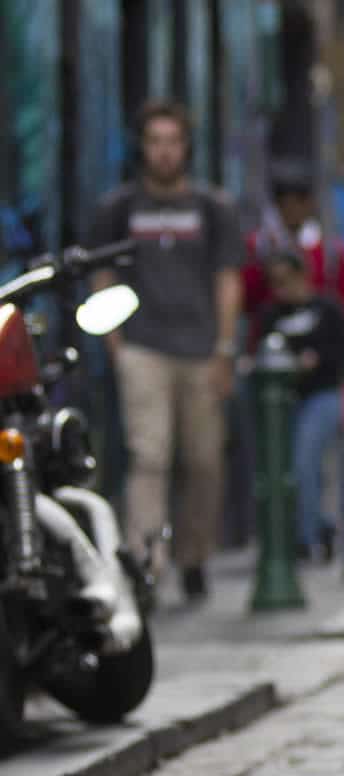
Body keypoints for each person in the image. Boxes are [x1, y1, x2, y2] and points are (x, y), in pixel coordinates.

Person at [88, 99, 244, 604]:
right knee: (148, 456)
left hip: (200, 350)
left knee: (203, 461)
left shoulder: (211, 208)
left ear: (187, 147)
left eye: (172, 141)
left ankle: (194, 557)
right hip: (142, 348)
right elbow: (101, 274)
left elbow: (227, 280)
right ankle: (146, 565)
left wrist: (224, 349)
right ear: (142, 147)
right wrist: (115, 345)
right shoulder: (119, 209)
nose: (163, 152)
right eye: (154, 141)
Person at [257, 252, 344, 562]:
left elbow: (343, 352)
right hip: (281, 402)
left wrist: (316, 361)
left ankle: (306, 536)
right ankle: (314, 529)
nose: (280, 289)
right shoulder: (271, 314)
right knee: (285, 469)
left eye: (285, 281)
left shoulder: (327, 309)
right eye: (275, 283)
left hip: (322, 396)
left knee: (305, 463)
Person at [241, 159, 344, 351]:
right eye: (285, 204)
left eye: (298, 203)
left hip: (319, 349)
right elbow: (248, 300)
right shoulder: (259, 247)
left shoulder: (330, 252)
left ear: (309, 204)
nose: (292, 211)